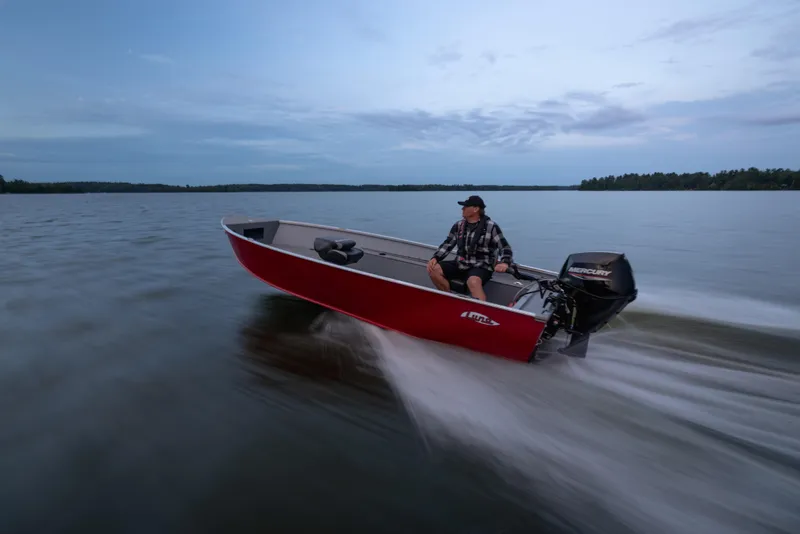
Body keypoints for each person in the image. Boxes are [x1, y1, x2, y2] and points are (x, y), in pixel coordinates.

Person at [426, 195, 513, 301]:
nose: (462, 209)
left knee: (473, 282)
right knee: (433, 269)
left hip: (481, 266)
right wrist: (436, 258)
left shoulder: (491, 226)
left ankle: (480, 313)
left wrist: (505, 262)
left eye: (466, 206)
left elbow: (505, 247)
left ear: (476, 209)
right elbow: (448, 244)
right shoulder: (458, 225)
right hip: (461, 264)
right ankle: (449, 300)